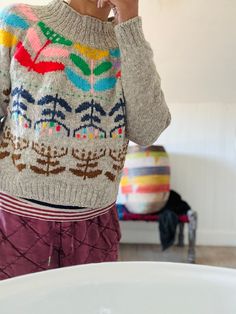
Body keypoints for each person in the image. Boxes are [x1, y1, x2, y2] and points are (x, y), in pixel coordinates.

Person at [0, 0, 171, 280]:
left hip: (95, 225)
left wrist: (129, 18)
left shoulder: (127, 42)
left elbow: (148, 130)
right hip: (15, 219)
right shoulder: (19, 21)